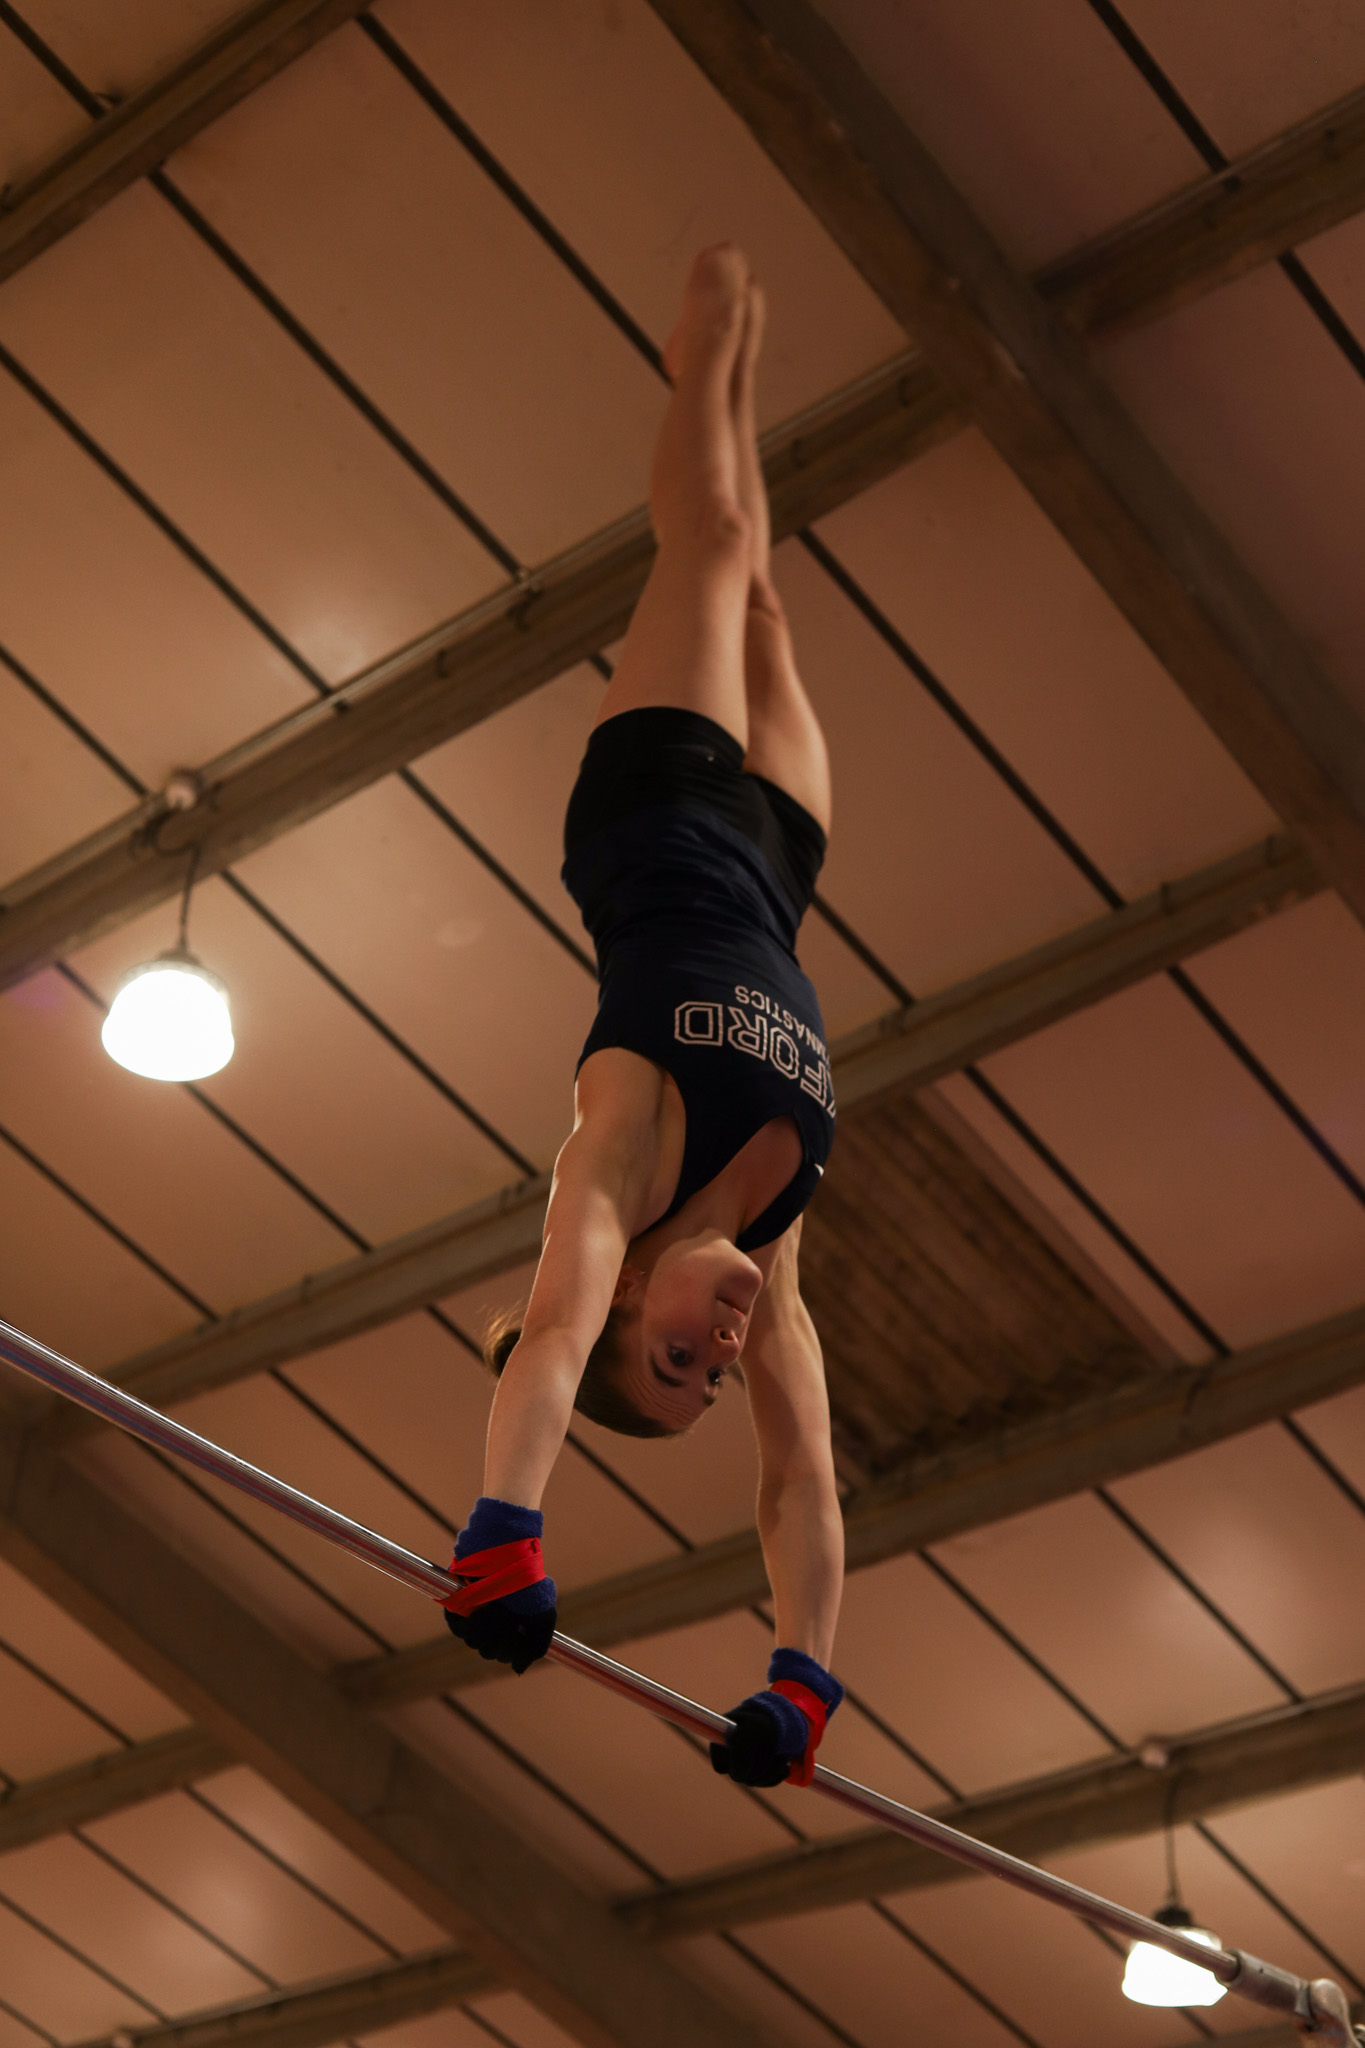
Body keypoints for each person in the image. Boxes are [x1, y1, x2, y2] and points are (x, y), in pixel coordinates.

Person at [443, 247, 845, 1790]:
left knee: (718, 539)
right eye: (713, 1380)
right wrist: (804, 1680)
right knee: (772, 601)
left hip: (656, 815)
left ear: (625, 1306)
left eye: (676, 1362)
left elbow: (545, 1336)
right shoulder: (774, 1247)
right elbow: (798, 1479)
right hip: (778, 873)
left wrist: (506, 1531)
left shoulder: (618, 1157)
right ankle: (728, 365)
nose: (722, 1352)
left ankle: (706, 345)